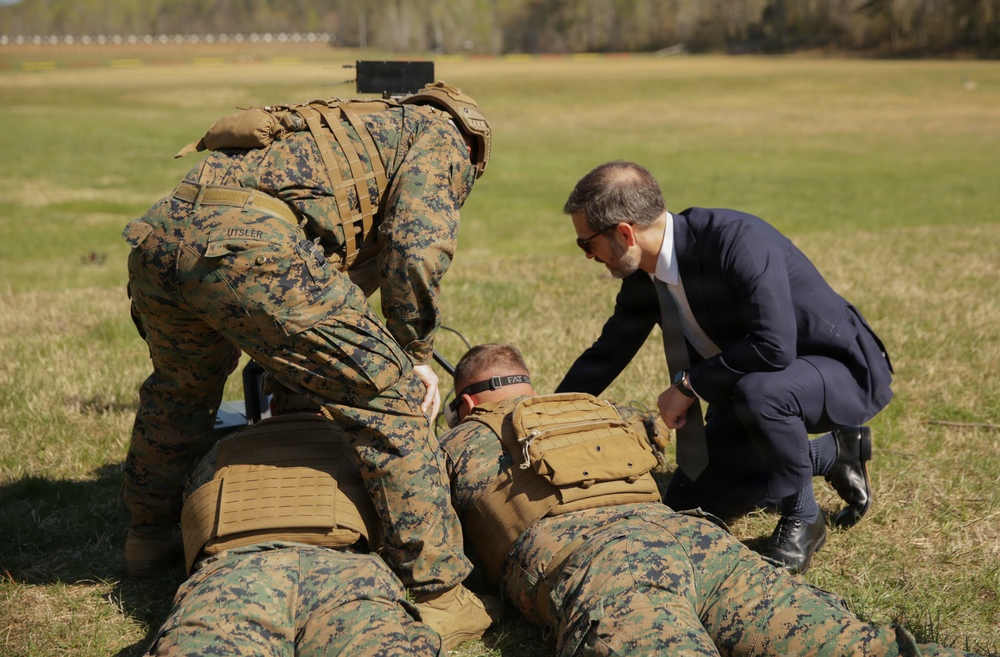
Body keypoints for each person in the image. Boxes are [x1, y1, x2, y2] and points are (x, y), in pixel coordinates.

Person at [121, 82, 493, 637]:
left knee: (181, 389)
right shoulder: (444, 139)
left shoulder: (354, 124)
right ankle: (439, 593)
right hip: (247, 244)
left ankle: (147, 540)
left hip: (160, 238)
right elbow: (416, 249)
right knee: (386, 395)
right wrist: (411, 351)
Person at [439, 343, 976, 657]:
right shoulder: (596, 411)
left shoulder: (459, 440)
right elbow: (652, 432)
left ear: (466, 402)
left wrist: (418, 424)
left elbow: (410, 523)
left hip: (604, 567)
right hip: (697, 541)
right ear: (530, 389)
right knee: (854, 645)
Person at [556, 161, 893, 573]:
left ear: (625, 233)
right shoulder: (643, 277)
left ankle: (804, 516)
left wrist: (689, 386)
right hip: (750, 387)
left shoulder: (737, 240)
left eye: (586, 244)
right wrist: (548, 417)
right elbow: (608, 352)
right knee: (688, 503)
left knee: (762, 393)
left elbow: (774, 348)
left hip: (834, 369)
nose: (588, 256)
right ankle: (831, 452)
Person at [144, 385, 489, 655]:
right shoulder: (369, 450)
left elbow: (192, 511)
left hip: (231, 576)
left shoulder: (219, 452)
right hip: (346, 576)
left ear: (274, 408)